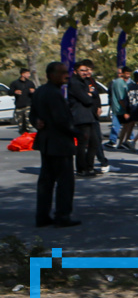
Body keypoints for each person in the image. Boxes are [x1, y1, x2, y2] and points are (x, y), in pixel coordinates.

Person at [31, 62, 79, 227]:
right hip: (59, 143)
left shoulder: (40, 91)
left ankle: (42, 216)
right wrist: (78, 134)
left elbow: (33, 115)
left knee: (46, 181)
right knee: (65, 182)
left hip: (46, 143)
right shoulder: (53, 93)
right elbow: (61, 121)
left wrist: (36, 121)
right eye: (62, 73)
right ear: (51, 75)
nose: (66, 75)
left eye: (66, 72)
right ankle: (62, 216)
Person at [68, 60, 103, 176]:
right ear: (75, 71)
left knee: (94, 142)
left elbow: (94, 95)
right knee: (83, 144)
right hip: (80, 117)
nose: (85, 72)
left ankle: (90, 167)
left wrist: (90, 94)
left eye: (86, 70)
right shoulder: (74, 83)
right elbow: (86, 100)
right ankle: (81, 169)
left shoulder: (86, 82)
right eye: (82, 70)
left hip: (90, 116)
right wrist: (89, 95)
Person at [107, 66, 130, 147]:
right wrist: (126, 108)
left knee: (127, 125)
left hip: (120, 108)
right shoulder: (119, 82)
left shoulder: (123, 82)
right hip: (119, 108)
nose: (128, 75)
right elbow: (121, 98)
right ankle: (121, 142)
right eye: (126, 73)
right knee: (125, 124)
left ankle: (124, 141)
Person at [10, 68, 36, 135]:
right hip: (19, 107)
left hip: (28, 106)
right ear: (23, 74)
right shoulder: (15, 83)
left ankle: (30, 138)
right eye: (27, 73)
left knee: (29, 124)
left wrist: (33, 92)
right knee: (21, 126)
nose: (29, 75)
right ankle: (23, 139)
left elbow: (35, 93)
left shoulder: (30, 83)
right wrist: (14, 92)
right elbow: (9, 92)